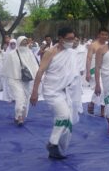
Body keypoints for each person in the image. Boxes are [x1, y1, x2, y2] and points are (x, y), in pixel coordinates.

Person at [30, 26, 79, 159]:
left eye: (73, 38)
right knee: (63, 116)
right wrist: (34, 92)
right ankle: (52, 143)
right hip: (52, 90)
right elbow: (40, 71)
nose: (72, 41)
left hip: (65, 91)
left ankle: (56, 148)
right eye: (69, 39)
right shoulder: (50, 52)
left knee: (67, 119)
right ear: (60, 39)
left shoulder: (71, 52)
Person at [2, 36, 39, 126]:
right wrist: (9, 78)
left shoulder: (30, 53)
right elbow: (6, 68)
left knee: (26, 99)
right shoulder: (12, 54)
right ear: (18, 43)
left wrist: (36, 77)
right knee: (19, 98)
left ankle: (19, 116)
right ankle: (19, 117)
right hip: (14, 80)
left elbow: (34, 66)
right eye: (22, 42)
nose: (24, 44)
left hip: (26, 80)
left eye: (26, 43)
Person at [86, 28, 109, 117]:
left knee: (105, 89)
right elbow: (88, 58)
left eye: (106, 35)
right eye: (102, 34)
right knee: (101, 88)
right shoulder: (93, 45)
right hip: (93, 69)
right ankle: (94, 104)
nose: (104, 36)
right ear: (98, 35)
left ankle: (97, 106)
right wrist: (87, 72)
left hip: (104, 69)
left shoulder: (108, 46)